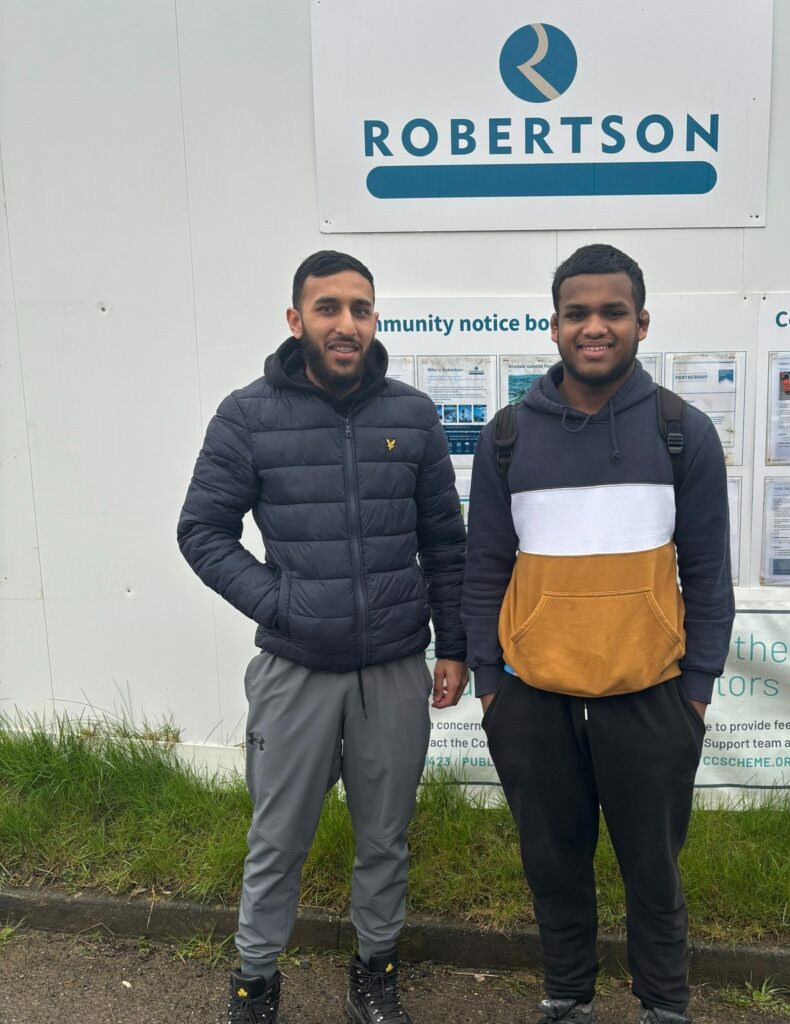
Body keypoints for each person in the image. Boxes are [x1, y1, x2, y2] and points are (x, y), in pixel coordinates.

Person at [178, 250, 468, 1024]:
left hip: (396, 667)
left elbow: (445, 540)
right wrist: (280, 602)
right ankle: (254, 981)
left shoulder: (412, 415)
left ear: (376, 320)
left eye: (361, 309)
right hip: (296, 667)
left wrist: (455, 645)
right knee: (277, 840)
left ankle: (374, 971)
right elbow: (202, 530)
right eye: (329, 307)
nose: (347, 324)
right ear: (296, 319)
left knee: (385, 838)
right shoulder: (247, 415)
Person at [462, 244, 735, 1024]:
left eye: (612, 312)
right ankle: (567, 998)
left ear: (641, 322)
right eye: (577, 313)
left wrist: (697, 692)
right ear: (553, 326)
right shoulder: (507, 436)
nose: (595, 327)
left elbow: (709, 576)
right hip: (532, 698)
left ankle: (663, 1005)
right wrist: (491, 687)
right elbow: (484, 570)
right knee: (553, 866)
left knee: (654, 869)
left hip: (652, 695)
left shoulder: (683, 431)